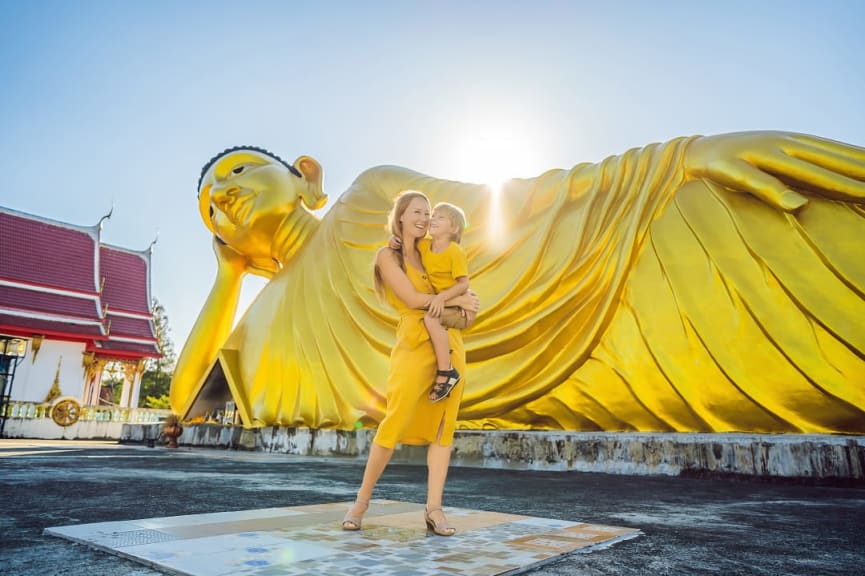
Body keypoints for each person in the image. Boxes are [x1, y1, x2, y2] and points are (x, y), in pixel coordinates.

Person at [172, 132, 865, 436]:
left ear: (305, 177)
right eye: (209, 205)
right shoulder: (257, 325)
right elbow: (184, 410)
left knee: (735, 212)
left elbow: (518, 204)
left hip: (579, 299)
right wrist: (229, 278)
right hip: (570, 395)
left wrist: (675, 158)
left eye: (235, 172)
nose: (221, 195)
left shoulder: (368, 196)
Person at [341, 190, 479, 536]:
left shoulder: (435, 253)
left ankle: (434, 510)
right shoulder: (388, 255)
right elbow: (414, 299)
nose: (424, 217)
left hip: (450, 343)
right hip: (414, 344)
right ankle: (360, 504)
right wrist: (460, 297)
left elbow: (463, 300)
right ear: (400, 215)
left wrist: (464, 300)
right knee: (395, 419)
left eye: (428, 212)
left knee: (443, 430)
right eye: (417, 211)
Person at [392, 201, 471, 402]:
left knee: (431, 319)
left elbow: (464, 283)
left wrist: (442, 298)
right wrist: (394, 241)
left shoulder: (454, 251)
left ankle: (447, 371)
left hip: (458, 308)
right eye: (433, 215)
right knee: (431, 318)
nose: (432, 219)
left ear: (453, 228)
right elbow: (406, 243)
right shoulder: (425, 245)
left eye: (440, 217)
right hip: (443, 303)